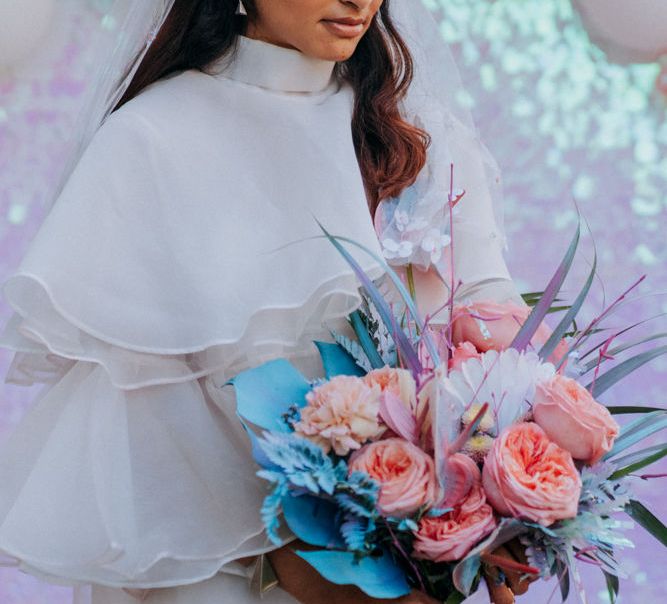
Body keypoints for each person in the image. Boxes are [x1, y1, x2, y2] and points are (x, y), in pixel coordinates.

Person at [0, 1, 527, 603]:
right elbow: (158, 423)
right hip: (223, 560)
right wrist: (318, 567)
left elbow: (489, 328)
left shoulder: (422, 135)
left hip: (410, 560)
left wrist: (498, 502)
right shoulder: (150, 141)